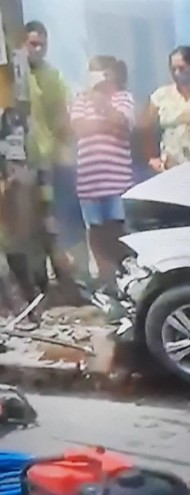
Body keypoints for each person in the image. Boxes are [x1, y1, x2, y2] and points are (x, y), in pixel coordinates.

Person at [3, 21, 76, 324]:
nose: (36, 49)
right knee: (18, 231)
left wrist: (64, 152)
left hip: (42, 160)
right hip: (15, 160)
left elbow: (61, 118)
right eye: (31, 43)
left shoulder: (52, 75)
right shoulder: (11, 74)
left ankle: (59, 289)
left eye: (40, 44)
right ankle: (30, 296)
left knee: (48, 226)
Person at [70, 56, 135, 293]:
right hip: (89, 182)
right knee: (96, 234)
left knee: (118, 231)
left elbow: (123, 125)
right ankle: (107, 284)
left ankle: (126, 281)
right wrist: (105, 121)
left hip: (117, 182)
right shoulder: (79, 100)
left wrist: (104, 106)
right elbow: (79, 128)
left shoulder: (123, 98)